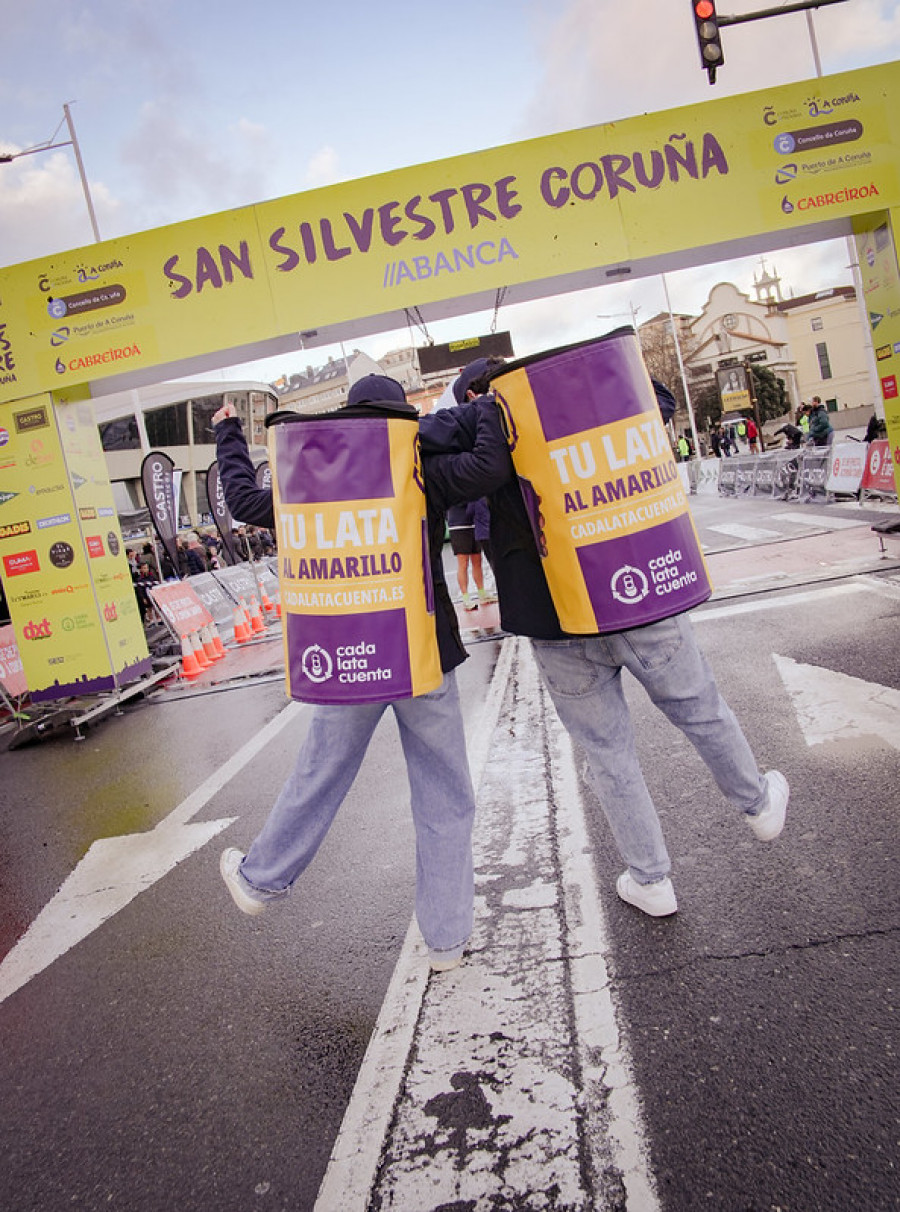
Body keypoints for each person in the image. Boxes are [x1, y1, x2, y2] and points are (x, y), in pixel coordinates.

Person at [419, 358, 789, 919]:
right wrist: (573, 369)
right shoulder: (584, 399)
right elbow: (654, 395)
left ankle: (651, 879)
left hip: (553, 620)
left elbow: (419, 435)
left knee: (608, 753)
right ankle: (758, 804)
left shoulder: (474, 422)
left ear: (472, 392)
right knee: (699, 709)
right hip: (633, 593)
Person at [211, 374, 486, 972]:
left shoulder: (308, 480)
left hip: (346, 656)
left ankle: (261, 881)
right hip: (424, 651)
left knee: (319, 773)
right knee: (444, 791)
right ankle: (446, 939)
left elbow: (240, 498)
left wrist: (228, 434)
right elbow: (483, 463)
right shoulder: (420, 469)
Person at [447, 501, 487, 610]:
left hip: (474, 523)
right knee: (463, 562)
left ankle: (482, 594)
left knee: (477, 560)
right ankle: (465, 598)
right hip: (458, 525)